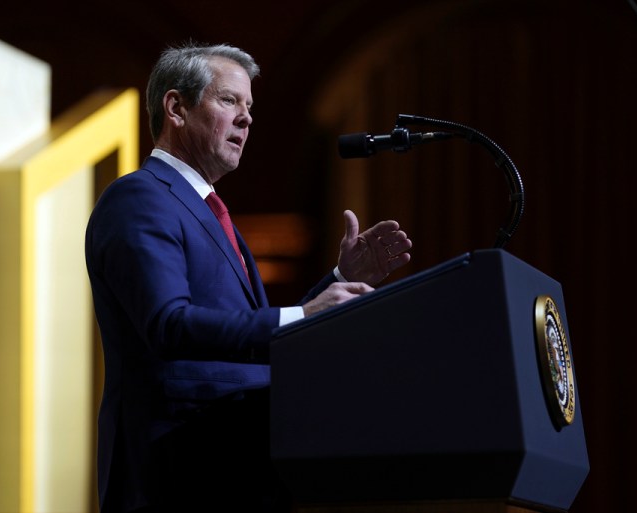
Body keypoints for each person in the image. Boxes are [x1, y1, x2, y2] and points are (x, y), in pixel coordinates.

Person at [85, 42, 412, 513]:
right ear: (176, 107)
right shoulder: (139, 198)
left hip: (237, 466)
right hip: (176, 474)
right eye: (229, 101)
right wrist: (303, 315)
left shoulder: (211, 214)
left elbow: (250, 334)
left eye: (250, 106)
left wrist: (340, 278)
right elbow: (168, 325)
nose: (247, 118)